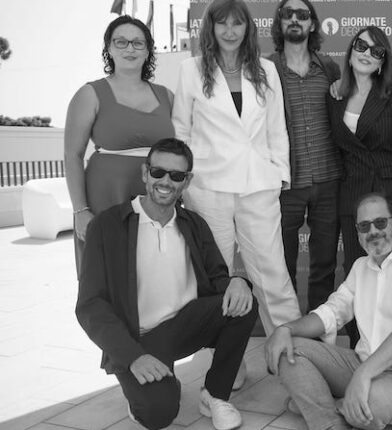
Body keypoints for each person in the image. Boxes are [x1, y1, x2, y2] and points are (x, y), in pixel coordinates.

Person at [75, 138, 257, 430]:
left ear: (187, 181)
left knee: (244, 303)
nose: (166, 181)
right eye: (158, 172)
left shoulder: (194, 224)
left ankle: (214, 395)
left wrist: (238, 281)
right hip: (137, 340)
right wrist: (133, 357)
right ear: (145, 173)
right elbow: (90, 305)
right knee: (158, 414)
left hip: (185, 326)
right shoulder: (107, 226)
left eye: (176, 175)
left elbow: (217, 277)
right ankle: (148, 389)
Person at [264, 192, 392, 430]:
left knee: (370, 402)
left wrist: (363, 375)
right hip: (361, 364)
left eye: (380, 222)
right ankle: (333, 418)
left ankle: (318, 407)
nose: (373, 231)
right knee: (287, 348)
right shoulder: (360, 267)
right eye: (364, 226)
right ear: (358, 232)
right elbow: (331, 312)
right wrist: (285, 329)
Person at [172, 0, 301, 336]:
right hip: (207, 186)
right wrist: (183, 181)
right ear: (211, 27)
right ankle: (219, 355)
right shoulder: (190, 70)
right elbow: (181, 130)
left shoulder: (266, 69)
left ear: (248, 28)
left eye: (237, 23)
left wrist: (280, 174)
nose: (230, 31)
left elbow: (276, 128)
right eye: (222, 23)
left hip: (258, 184)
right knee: (214, 274)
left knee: (273, 273)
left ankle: (294, 350)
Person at [65, 15, 174, 276]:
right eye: (121, 42)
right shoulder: (89, 94)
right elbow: (72, 155)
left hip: (156, 195)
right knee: (108, 275)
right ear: (109, 48)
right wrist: (80, 211)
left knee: (155, 277)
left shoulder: (167, 96)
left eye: (138, 43)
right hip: (105, 197)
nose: (129, 48)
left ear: (148, 51)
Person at [327, 26, 392, 276]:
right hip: (351, 195)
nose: (366, 54)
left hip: (388, 194)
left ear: (382, 62)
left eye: (376, 51)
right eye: (361, 46)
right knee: (355, 268)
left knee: (391, 268)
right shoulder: (335, 96)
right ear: (350, 52)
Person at [268, 0, 343, 312]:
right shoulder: (265, 70)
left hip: (329, 178)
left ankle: (318, 330)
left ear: (312, 24)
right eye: (288, 14)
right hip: (285, 183)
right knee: (281, 265)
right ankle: (286, 329)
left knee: (324, 265)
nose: (295, 19)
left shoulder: (329, 68)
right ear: (279, 22)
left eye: (302, 15)